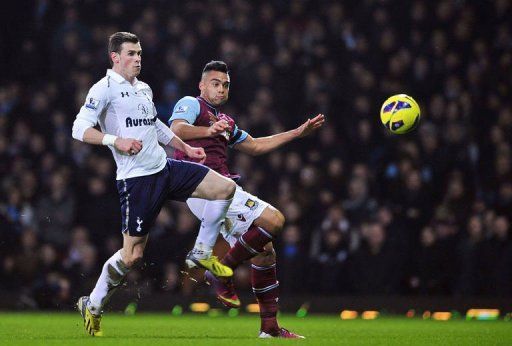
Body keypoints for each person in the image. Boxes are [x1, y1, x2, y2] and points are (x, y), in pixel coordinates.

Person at [71, 33, 236, 337]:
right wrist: (115, 140)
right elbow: (79, 128)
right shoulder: (103, 90)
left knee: (226, 188)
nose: (138, 59)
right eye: (131, 53)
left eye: (140, 53)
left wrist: (184, 148)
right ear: (115, 57)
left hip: (165, 168)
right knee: (132, 256)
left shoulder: (143, 88)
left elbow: (155, 125)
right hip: (137, 181)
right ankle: (92, 304)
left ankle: (201, 251)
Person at [169, 60, 324, 339]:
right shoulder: (191, 104)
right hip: (203, 185)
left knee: (265, 251)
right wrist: (208, 131)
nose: (221, 89)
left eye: (225, 85)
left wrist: (298, 133)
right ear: (202, 85)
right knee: (274, 220)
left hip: (221, 188)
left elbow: (254, 145)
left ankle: (270, 328)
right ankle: (222, 270)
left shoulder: (225, 121)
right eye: (215, 84)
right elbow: (176, 130)